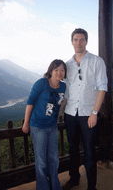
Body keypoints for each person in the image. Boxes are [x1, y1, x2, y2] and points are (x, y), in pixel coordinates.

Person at [62, 28, 108, 190]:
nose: (78, 42)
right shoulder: (67, 65)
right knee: (73, 149)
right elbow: (66, 91)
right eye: (75, 39)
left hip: (88, 114)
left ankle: (91, 187)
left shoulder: (97, 61)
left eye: (82, 39)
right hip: (70, 114)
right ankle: (74, 178)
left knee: (90, 152)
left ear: (87, 41)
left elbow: (102, 88)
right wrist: (58, 112)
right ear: (72, 42)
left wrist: (94, 113)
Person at [22, 59, 67, 190]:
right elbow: (30, 102)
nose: (59, 72)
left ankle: (55, 186)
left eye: (62, 70)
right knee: (41, 161)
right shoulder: (41, 83)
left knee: (54, 159)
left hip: (52, 126)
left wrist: (57, 115)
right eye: (56, 69)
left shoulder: (63, 86)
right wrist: (26, 123)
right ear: (50, 71)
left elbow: (60, 102)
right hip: (38, 126)